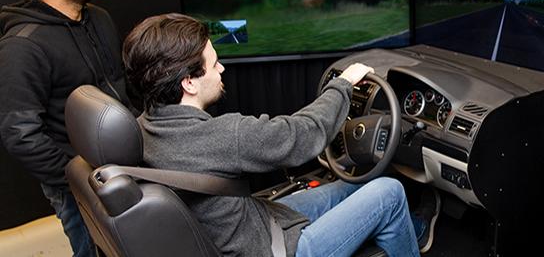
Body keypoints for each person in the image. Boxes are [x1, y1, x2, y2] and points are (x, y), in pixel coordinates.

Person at [122, 13, 439, 257]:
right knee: (389, 191)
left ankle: (410, 228)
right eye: (215, 64)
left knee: (357, 183)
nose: (221, 70)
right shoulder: (220, 136)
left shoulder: (141, 128)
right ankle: (411, 240)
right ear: (189, 82)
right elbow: (304, 134)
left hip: (253, 227)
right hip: (276, 248)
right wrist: (343, 84)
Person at [0, 0, 132, 257]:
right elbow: (20, 133)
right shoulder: (22, 47)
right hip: (79, 186)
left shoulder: (99, 18)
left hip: (125, 167)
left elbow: (118, 88)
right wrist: (77, 178)